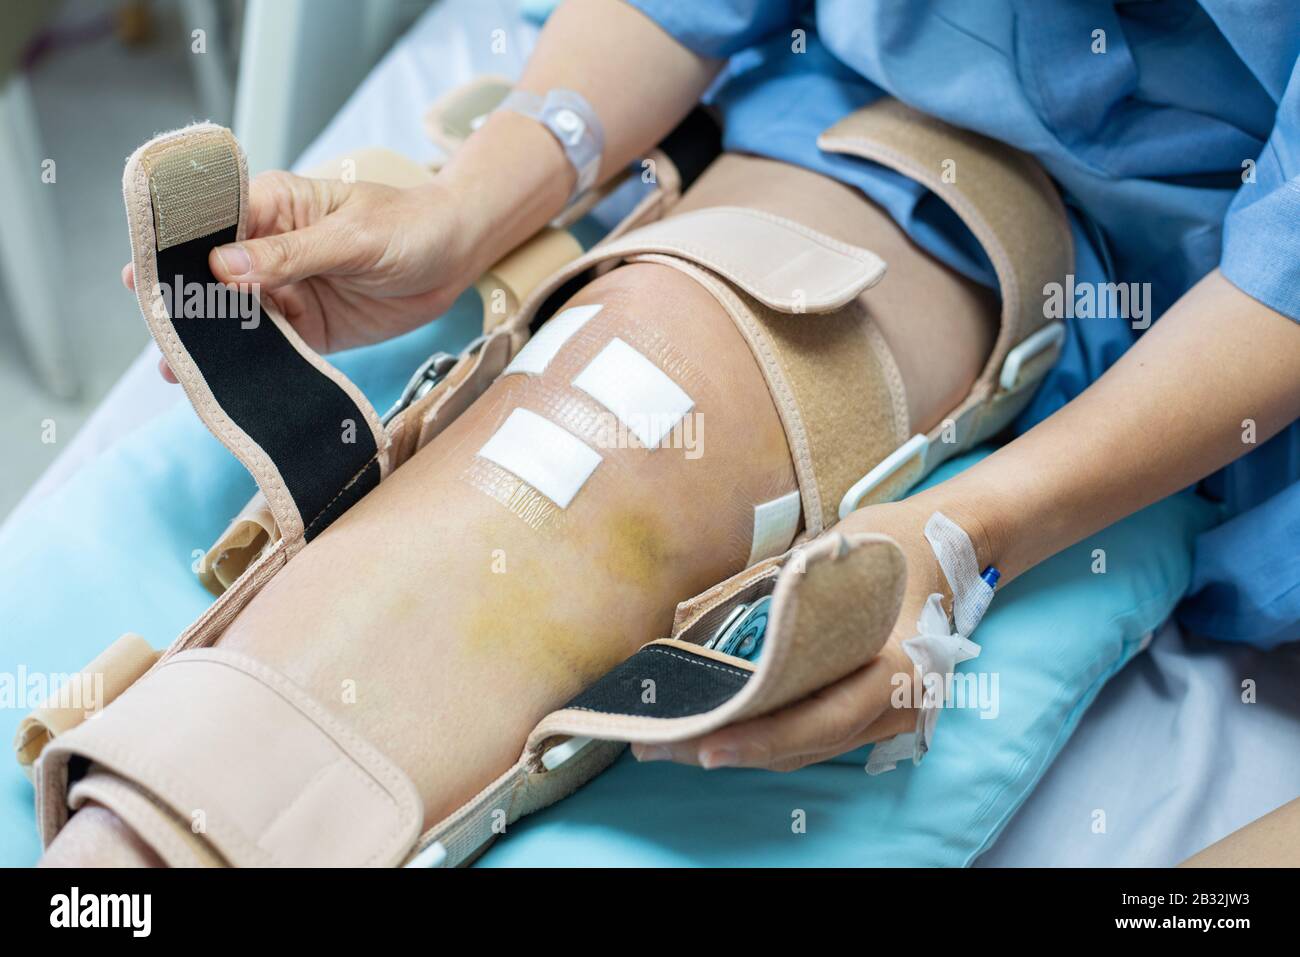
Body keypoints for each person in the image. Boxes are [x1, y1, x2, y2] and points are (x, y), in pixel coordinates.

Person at [43, 0, 1300, 866]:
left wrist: (965, 535)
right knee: (613, 407)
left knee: (641, 435)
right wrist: (470, 204)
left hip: (1178, 246)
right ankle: (155, 826)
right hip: (839, 96)